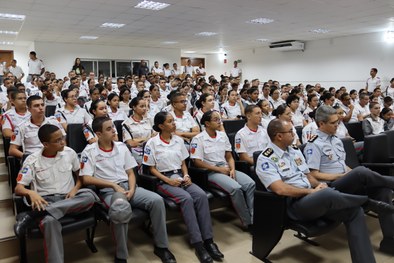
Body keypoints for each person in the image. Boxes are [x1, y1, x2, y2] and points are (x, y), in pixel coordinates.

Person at [255, 119, 394, 263]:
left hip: (315, 196)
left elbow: (308, 176)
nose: (294, 134)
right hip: (295, 205)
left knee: (354, 211)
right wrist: (312, 192)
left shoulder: (294, 151)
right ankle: (367, 201)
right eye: (290, 131)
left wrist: (318, 186)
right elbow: (280, 189)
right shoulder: (266, 159)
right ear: (279, 136)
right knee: (328, 194)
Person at [80, 116, 176, 263]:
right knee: (120, 208)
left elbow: (131, 173)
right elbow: (86, 178)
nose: (113, 130)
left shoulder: (121, 146)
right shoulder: (89, 151)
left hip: (129, 187)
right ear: (98, 134)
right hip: (109, 191)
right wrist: (112, 185)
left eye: (113, 126)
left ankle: (161, 247)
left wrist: (131, 189)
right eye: (108, 129)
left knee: (157, 200)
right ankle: (121, 256)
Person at [304, 105, 394, 255]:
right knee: (360, 171)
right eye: (333, 123)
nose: (337, 125)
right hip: (331, 188)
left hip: (346, 182)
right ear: (321, 124)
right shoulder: (313, 144)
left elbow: (344, 166)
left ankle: (390, 242)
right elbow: (314, 175)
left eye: (337, 122)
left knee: (382, 191)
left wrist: (351, 174)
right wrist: (343, 176)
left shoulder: (337, 140)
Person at [143, 112, 223, 263]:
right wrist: (168, 180)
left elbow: (183, 163)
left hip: (180, 176)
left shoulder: (178, 141)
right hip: (164, 180)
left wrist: (186, 175)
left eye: (174, 121)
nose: (174, 124)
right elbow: (151, 169)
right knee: (186, 198)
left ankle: (209, 241)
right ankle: (198, 244)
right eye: (170, 121)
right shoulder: (152, 143)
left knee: (200, 195)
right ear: (161, 126)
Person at [13, 124, 97, 263]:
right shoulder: (32, 160)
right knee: (49, 222)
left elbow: (81, 178)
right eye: (58, 140)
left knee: (90, 197)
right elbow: (18, 188)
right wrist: (30, 193)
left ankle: (33, 215)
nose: (63, 142)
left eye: (62, 138)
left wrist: (75, 189)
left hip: (70, 199)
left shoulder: (69, 153)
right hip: (46, 201)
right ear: (45, 144)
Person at [190, 110, 255, 230]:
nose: (219, 121)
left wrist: (232, 169)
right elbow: (197, 162)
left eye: (219, 118)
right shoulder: (198, 139)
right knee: (236, 188)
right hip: (211, 172)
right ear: (207, 123)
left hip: (226, 168)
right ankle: (248, 222)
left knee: (250, 184)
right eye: (215, 119)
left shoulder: (222, 135)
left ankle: (254, 217)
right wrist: (219, 169)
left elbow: (229, 156)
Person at [122, 97, 153, 164]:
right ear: (134, 107)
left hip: (152, 148)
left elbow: (155, 136)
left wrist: (138, 140)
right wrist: (148, 139)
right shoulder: (126, 124)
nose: (144, 108)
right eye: (141, 106)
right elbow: (131, 143)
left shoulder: (149, 120)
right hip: (137, 152)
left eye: (145, 106)